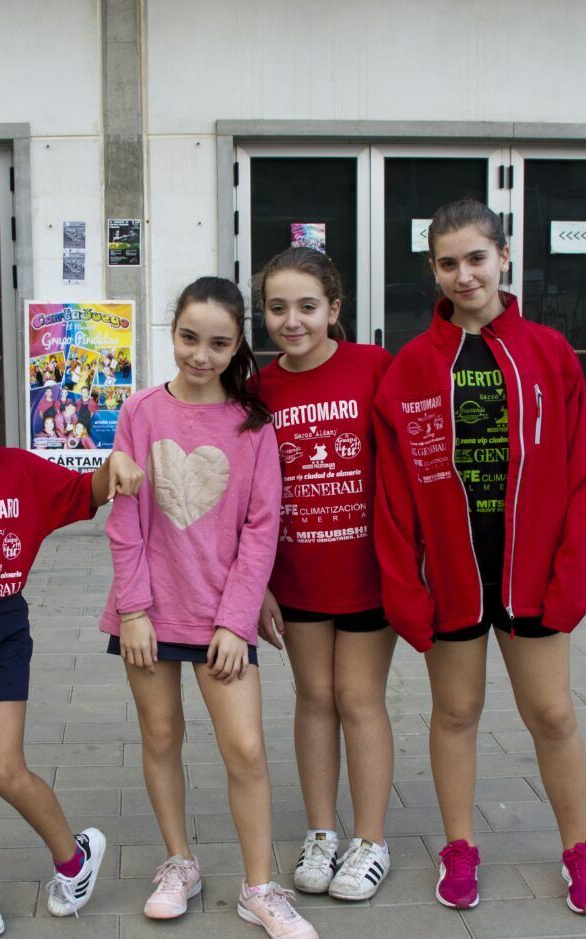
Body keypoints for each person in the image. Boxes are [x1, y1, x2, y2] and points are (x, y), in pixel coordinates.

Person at [373, 201, 586, 915]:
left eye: (477, 257)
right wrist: (404, 589)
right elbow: (393, 492)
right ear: (433, 272)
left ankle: (578, 848)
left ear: (504, 258)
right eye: (448, 263)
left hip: (533, 572)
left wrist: (573, 573)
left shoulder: (549, 352)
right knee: (456, 712)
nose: (464, 274)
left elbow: (581, 473)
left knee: (554, 714)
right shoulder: (413, 366)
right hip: (452, 574)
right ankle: (459, 846)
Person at [103, 276, 317, 939]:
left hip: (218, 615)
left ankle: (259, 888)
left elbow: (261, 528)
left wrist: (234, 620)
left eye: (218, 343)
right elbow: (126, 520)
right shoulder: (139, 412)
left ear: (236, 347)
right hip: (147, 613)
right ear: (173, 332)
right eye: (189, 338)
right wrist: (134, 609)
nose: (201, 355)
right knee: (161, 737)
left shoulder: (252, 425)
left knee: (246, 750)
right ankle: (180, 863)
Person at [0, 345, 143, 938]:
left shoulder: (19, 471)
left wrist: (117, 463)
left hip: (0, 636)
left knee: (3, 768)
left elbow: (86, 491)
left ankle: (73, 857)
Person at [252, 246, 397, 902]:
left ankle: (370, 840)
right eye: (278, 307)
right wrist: (258, 585)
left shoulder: (373, 367)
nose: (292, 320)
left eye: (307, 306)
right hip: (298, 575)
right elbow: (246, 496)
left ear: (334, 310)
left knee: (359, 699)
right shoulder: (258, 390)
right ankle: (322, 831)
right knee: (314, 698)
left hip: (368, 574)